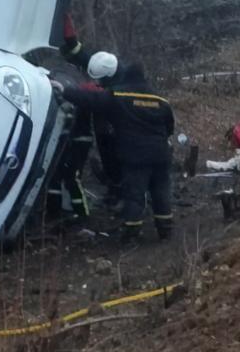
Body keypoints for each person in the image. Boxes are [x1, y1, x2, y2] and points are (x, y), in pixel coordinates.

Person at [56, 47, 176, 244]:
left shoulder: (118, 97)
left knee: (135, 195)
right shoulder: (160, 100)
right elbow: (169, 127)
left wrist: (64, 90)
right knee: (161, 191)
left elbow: (91, 99)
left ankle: (131, 234)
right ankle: (165, 230)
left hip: (136, 157)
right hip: (161, 154)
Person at [60, 14, 123, 207]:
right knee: (107, 157)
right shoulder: (100, 64)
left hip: (118, 129)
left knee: (117, 160)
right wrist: (63, 20)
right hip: (103, 127)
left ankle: (122, 193)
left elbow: (100, 98)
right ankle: (114, 187)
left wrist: (75, 91)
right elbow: (76, 51)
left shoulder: (122, 84)